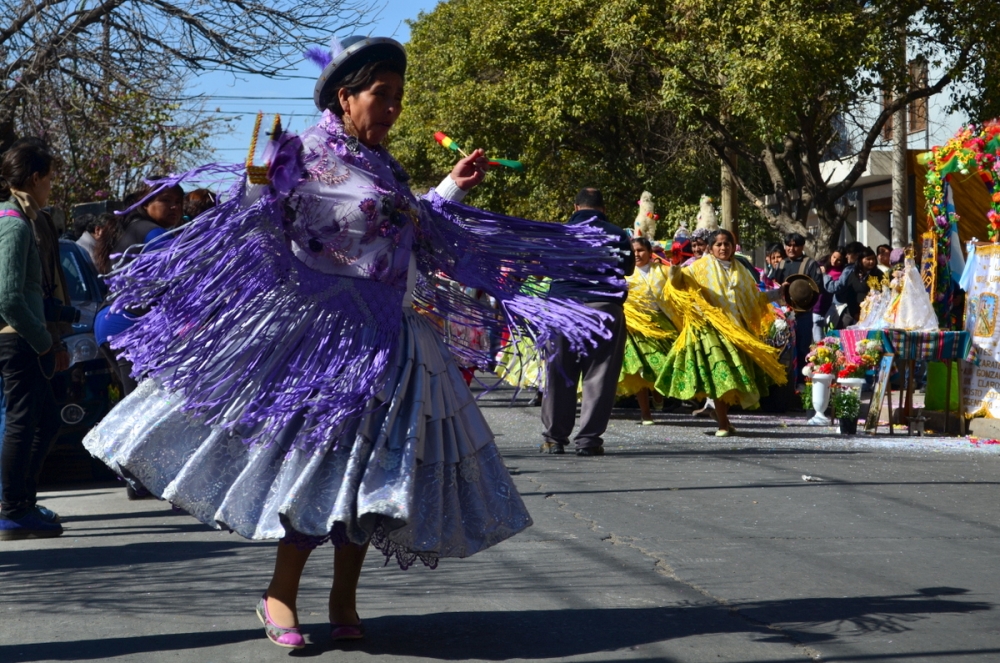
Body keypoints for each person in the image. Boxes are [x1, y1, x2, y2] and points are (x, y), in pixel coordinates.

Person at [83, 35, 617, 650]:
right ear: (345, 96)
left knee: (369, 477)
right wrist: (261, 182)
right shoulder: (305, 155)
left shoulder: (384, 165)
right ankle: (280, 594)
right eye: (380, 96)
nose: (392, 108)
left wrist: (451, 187)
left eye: (398, 97)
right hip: (322, 344)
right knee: (315, 469)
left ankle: (343, 598)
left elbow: (412, 230)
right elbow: (255, 223)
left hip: (388, 339)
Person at [656, 229, 787, 436]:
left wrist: (779, 293)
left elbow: (755, 299)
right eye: (718, 244)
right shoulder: (698, 268)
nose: (723, 248)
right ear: (710, 247)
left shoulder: (742, 271)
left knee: (731, 379)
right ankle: (723, 423)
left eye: (727, 244)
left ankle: (721, 415)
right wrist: (674, 266)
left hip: (736, 331)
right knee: (720, 374)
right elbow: (676, 284)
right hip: (710, 329)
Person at [0, 138, 64, 539]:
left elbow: (22, 291)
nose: (51, 186)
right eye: (50, 178)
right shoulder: (13, 222)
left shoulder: (21, 218)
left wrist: (60, 315)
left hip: (25, 336)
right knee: (24, 424)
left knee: (43, 421)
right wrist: (42, 340)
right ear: (36, 177)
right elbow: (7, 297)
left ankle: (21, 501)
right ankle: (13, 508)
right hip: (18, 340)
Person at [541, 187, 634, 456]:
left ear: (575, 208)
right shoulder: (617, 233)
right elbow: (627, 268)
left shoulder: (560, 232)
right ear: (603, 210)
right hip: (603, 308)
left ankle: (553, 439)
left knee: (559, 372)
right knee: (599, 374)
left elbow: (545, 266)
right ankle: (589, 440)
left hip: (562, 307)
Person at [619, 236, 678, 424]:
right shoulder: (625, 274)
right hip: (635, 326)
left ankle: (658, 393)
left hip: (660, 323)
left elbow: (677, 285)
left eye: (641, 250)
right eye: (633, 251)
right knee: (640, 370)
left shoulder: (662, 270)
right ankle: (645, 412)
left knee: (662, 364)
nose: (637, 254)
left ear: (650, 253)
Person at [772, 232, 823, 376]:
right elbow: (772, 284)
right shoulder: (781, 264)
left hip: (803, 314)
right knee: (783, 347)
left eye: (795, 246)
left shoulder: (811, 264)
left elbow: (818, 287)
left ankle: (802, 379)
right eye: (788, 245)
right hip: (783, 314)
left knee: (802, 346)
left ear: (802, 246)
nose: (791, 249)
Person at [824, 246, 884, 328]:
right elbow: (850, 295)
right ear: (861, 260)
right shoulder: (853, 274)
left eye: (873, 259)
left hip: (872, 315)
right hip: (853, 313)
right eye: (868, 259)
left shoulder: (879, 275)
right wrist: (855, 313)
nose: (871, 262)